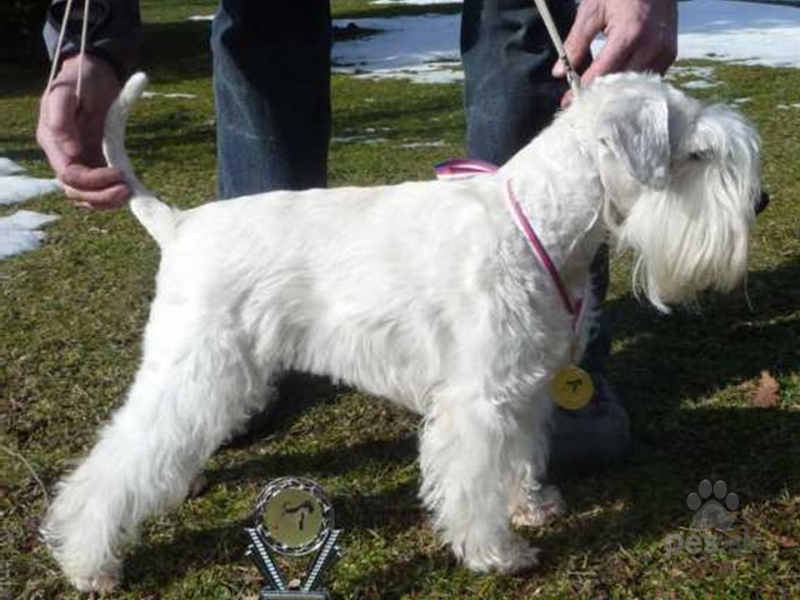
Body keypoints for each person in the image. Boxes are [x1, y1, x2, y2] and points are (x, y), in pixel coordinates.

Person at [37, 0, 677, 469]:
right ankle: (93, 524)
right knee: (267, 26)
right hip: (217, 253)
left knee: (519, 21)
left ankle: (533, 387)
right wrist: (85, 40)